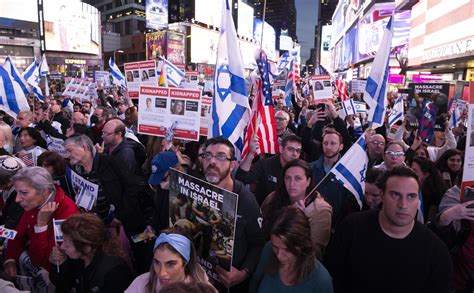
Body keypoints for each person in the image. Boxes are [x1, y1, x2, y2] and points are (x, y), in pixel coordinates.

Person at [326, 166, 453, 293]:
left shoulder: (436, 251)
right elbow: (332, 278)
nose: (403, 205)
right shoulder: (351, 228)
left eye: (411, 196)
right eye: (395, 195)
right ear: (382, 195)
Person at [202, 137, 265, 291]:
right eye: (207, 155)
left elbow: (259, 243)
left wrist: (243, 273)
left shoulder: (246, 201)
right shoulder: (195, 188)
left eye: (221, 156)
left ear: (232, 165)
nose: (212, 162)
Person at [3, 167, 78, 286]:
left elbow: (40, 262)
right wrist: (10, 259)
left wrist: (41, 225)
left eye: (24, 193)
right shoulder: (36, 201)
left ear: (44, 191)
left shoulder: (67, 214)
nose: (17, 199)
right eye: (17, 192)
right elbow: (19, 234)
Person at [261, 159, 332, 260]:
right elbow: (260, 230)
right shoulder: (273, 197)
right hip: (268, 255)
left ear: (308, 181)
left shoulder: (321, 211)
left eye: (298, 178)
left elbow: (314, 254)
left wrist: (299, 221)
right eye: (288, 178)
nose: (292, 184)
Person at [250, 206, 333, 292]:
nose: (279, 255)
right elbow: (255, 283)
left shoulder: (321, 281)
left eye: (287, 250)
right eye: (275, 247)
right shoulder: (269, 249)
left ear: (302, 245)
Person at [49, 213, 134, 292]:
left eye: (67, 244)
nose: (62, 247)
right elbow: (63, 285)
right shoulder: (77, 259)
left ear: (87, 247)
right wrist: (59, 265)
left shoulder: (115, 272)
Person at [125, 230, 214, 293]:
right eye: (157, 262)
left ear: (185, 262)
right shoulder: (141, 284)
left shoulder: (201, 288)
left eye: (171, 264)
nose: (161, 273)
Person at [310, 130, 359, 228]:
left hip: (337, 226)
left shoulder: (348, 173)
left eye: (333, 143)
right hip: (312, 221)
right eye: (325, 143)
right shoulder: (310, 168)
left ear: (341, 146)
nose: (328, 147)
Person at [236, 134, 302, 204]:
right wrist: (251, 153)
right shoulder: (265, 164)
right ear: (281, 149)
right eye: (290, 149)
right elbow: (242, 178)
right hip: (263, 209)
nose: (295, 154)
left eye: (298, 151)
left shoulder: (300, 169)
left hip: (287, 210)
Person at [409, 156, 446, 222]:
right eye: (410, 170)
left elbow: (430, 221)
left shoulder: (434, 194)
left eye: (415, 171)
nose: (410, 173)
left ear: (426, 175)